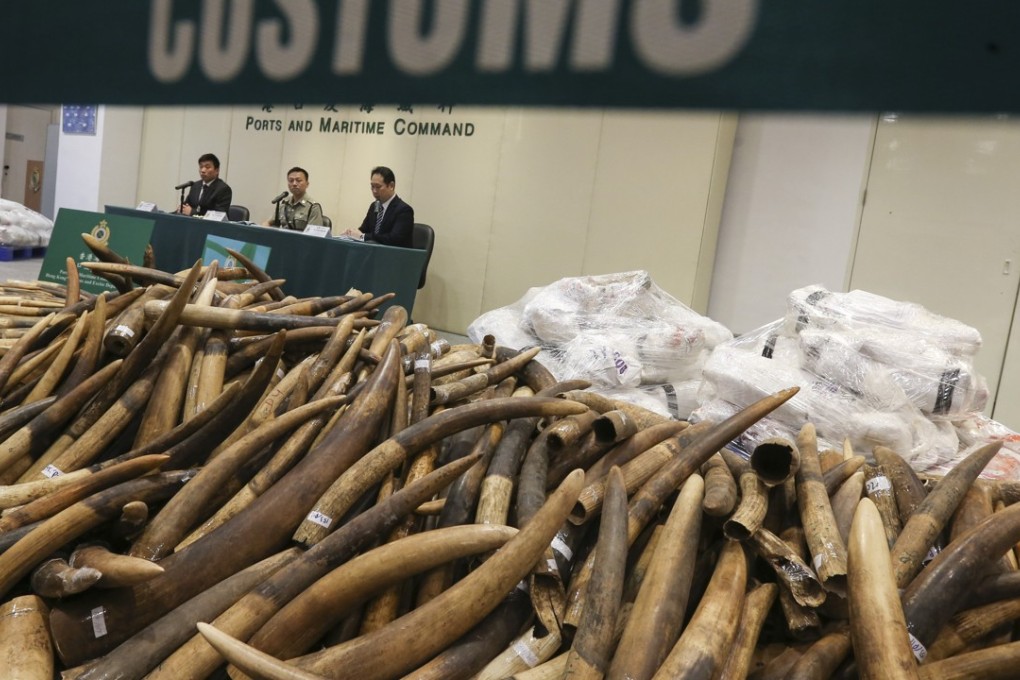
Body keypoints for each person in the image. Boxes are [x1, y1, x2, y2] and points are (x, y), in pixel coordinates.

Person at [342, 166, 414, 247]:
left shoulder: (404, 210)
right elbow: (364, 229)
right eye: (372, 186)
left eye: (378, 187)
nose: (374, 191)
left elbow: (393, 239)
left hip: (393, 256)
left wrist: (363, 236)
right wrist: (351, 233)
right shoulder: (375, 206)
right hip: (373, 252)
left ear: (391, 186)